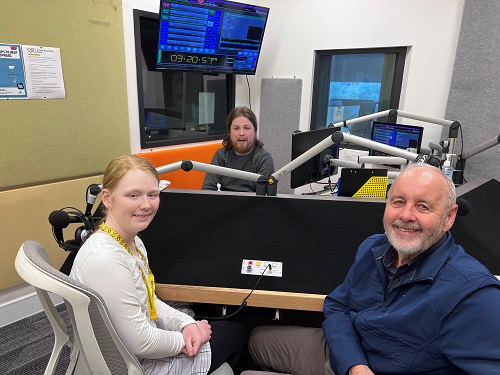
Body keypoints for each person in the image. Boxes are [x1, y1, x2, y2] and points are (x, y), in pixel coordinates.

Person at [248, 164, 500, 375]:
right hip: (345, 354)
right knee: (254, 339)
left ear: (449, 217)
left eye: (423, 206)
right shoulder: (375, 249)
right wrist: (354, 365)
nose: (406, 215)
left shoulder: (472, 294)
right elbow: (337, 306)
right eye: (398, 202)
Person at [70, 155, 244, 375]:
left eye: (152, 195)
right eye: (133, 195)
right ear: (107, 198)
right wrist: (186, 337)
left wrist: (186, 324)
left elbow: (148, 299)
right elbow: (141, 343)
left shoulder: (132, 241)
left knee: (226, 330)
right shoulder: (104, 259)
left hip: (136, 349)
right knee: (236, 332)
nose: (146, 204)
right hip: (131, 365)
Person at [202, 106, 275, 192]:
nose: (241, 133)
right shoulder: (221, 155)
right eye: (236, 128)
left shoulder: (264, 158)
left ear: (255, 131)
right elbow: (207, 190)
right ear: (230, 131)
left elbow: (266, 196)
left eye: (246, 128)